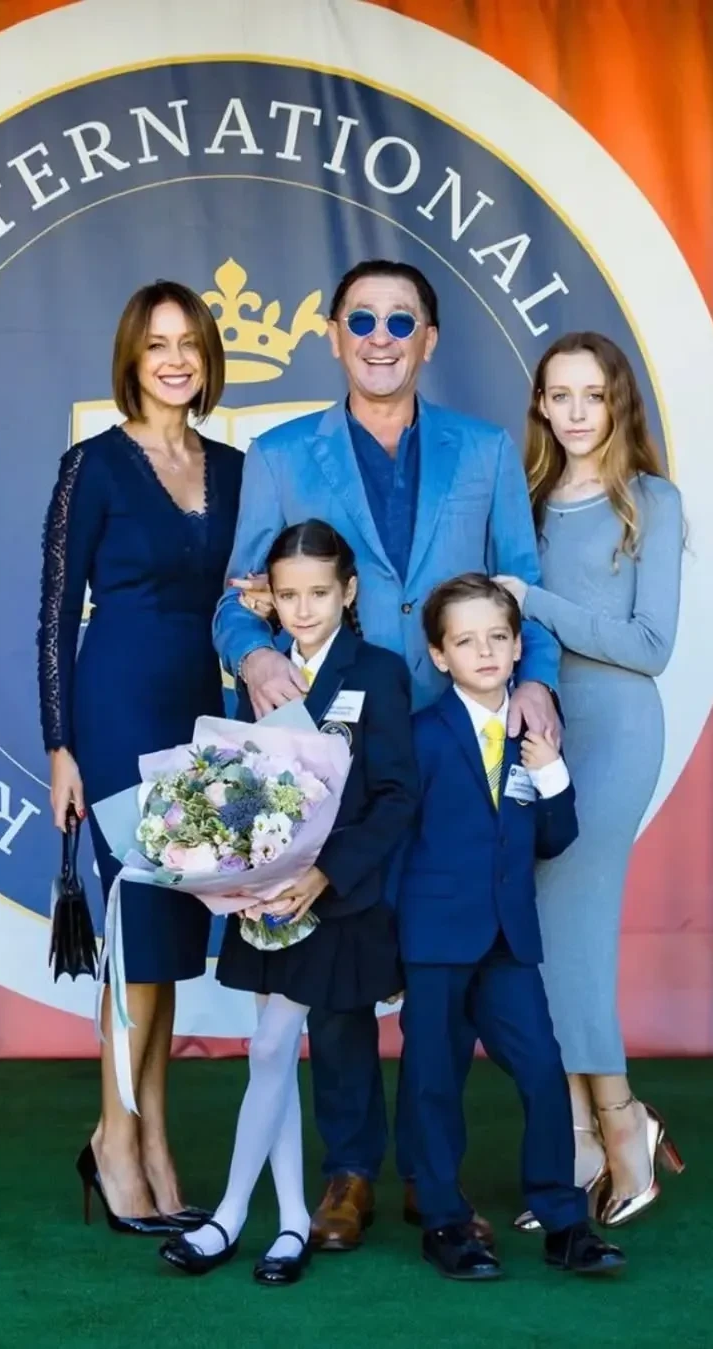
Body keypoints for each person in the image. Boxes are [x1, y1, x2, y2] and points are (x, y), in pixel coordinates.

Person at [213, 258, 560, 1251]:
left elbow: (523, 585)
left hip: (455, 753)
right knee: (339, 972)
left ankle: (431, 1176)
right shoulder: (279, 454)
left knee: (442, 977)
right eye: (361, 319)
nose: (380, 336)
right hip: (339, 766)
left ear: (429, 339)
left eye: (400, 321)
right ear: (333, 334)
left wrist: (535, 680)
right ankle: (351, 1169)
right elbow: (235, 604)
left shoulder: (485, 451)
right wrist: (257, 656)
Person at [37, 280, 243, 1234]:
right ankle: (118, 1140)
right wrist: (60, 745)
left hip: (201, 711)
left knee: (167, 941)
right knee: (136, 931)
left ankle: (150, 1133)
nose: (174, 359)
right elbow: (53, 612)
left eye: (189, 343)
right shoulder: (91, 465)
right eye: (157, 343)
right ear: (131, 356)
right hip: (117, 710)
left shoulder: (234, 468)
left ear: (209, 357)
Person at [161, 520, 417, 1284]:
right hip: (267, 901)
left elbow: (398, 796)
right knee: (270, 1052)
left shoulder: (380, 671)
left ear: (349, 591)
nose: (304, 609)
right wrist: (238, 874)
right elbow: (243, 787)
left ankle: (229, 1215)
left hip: (334, 901)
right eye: (289, 595)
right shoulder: (259, 679)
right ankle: (293, 1221)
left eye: (319, 593)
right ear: (268, 598)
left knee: (272, 1048)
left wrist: (325, 873)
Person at [498, 332, 685, 1229]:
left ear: (618, 403)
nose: (576, 412)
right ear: (539, 404)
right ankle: (578, 1139)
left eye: (593, 395)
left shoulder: (651, 501)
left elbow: (651, 645)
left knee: (574, 931)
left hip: (614, 731)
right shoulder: (527, 502)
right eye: (559, 394)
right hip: (535, 734)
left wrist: (534, 601)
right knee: (541, 934)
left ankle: (620, 1123)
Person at [399, 573, 626, 1281]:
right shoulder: (421, 736)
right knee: (433, 1078)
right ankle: (444, 1220)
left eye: (498, 636)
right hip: (434, 941)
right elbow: (396, 844)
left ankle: (564, 1222)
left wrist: (552, 772)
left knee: (543, 1070)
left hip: (508, 943)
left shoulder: (535, 735)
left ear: (519, 644)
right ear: (440, 655)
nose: (485, 651)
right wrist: (391, 943)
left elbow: (554, 839)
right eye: (466, 641)